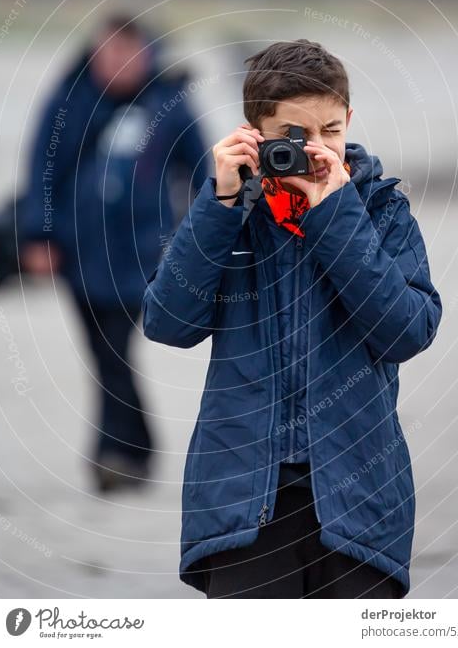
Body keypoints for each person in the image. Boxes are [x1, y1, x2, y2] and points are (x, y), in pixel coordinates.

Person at [142, 39, 442, 598]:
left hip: (358, 495)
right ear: (254, 133)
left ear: (349, 119)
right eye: (295, 137)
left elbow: (406, 331)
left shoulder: (379, 209)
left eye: (331, 130)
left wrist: (336, 211)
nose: (318, 149)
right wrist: (221, 203)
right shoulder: (230, 214)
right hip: (241, 498)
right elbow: (167, 323)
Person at [20, 15, 208, 492]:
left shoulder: (170, 102)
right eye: (109, 53)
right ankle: (128, 451)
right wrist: (37, 236)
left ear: (147, 53)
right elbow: (42, 169)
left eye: (129, 52)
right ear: (93, 54)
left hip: (144, 253)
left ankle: (116, 453)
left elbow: (207, 171)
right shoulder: (69, 101)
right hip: (78, 249)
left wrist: (204, 234)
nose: (119, 62)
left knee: (113, 350)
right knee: (102, 354)